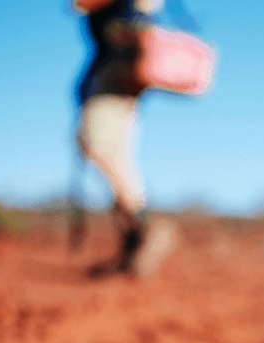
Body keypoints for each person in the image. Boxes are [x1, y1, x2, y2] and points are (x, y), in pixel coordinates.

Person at [72, 0, 177, 278]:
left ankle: (144, 228)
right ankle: (133, 245)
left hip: (113, 88)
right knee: (114, 156)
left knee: (101, 149)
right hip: (115, 87)